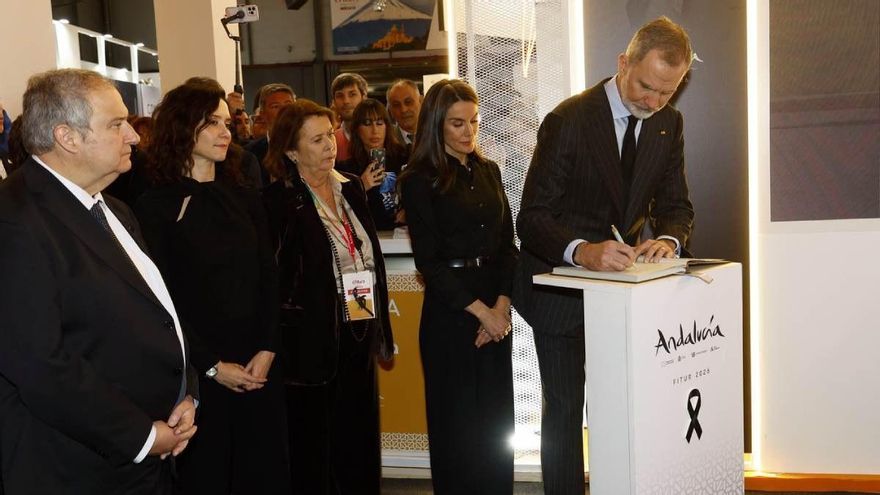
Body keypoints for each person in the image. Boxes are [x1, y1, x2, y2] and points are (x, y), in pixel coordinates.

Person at [515, 17, 696, 494]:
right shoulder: (568, 120)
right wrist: (584, 252)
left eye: (666, 93)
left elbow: (677, 207)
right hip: (560, 295)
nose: (652, 102)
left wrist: (669, 241)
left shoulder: (668, 124)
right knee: (565, 413)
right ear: (623, 63)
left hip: (624, 299)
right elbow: (531, 219)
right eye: (645, 86)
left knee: (623, 409)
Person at [0, 68, 198, 494]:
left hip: (141, 459)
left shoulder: (113, 209)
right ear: (67, 137)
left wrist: (187, 392)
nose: (134, 136)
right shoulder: (14, 220)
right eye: (116, 124)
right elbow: (41, 365)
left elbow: (157, 312)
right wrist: (143, 437)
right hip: (78, 468)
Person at [134, 79, 290, 494]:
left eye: (227, 122)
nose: (227, 132)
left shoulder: (243, 194)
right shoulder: (156, 206)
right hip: (199, 375)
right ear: (185, 129)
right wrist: (212, 366)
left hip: (259, 365)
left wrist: (268, 347)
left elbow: (268, 275)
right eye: (213, 123)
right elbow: (161, 301)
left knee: (265, 473)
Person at [262, 99, 394, 494]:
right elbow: (273, 280)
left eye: (330, 135)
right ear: (291, 150)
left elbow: (368, 257)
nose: (329, 146)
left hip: (359, 329)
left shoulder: (350, 186)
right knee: (315, 454)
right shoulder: (279, 202)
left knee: (360, 443)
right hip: (310, 345)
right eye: (316, 139)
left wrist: (380, 330)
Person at [399, 79, 518, 494]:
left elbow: (508, 245)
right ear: (436, 125)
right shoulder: (418, 179)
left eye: (474, 121)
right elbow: (428, 263)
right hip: (451, 318)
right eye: (457, 124)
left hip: (495, 314)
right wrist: (481, 311)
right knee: (457, 434)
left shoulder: (489, 171)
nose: (469, 132)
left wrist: (500, 308)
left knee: (498, 429)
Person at [335, 98, 409, 230]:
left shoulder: (406, 157)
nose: (375, 130)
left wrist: (410, 210)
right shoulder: (345, 169)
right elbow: (340, 211)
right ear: (357, 129)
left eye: (380, 123)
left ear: (387, 126)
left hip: (404, 239)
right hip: (370, 240)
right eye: (367, 124)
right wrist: (361, 186)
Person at [330, 73, 368, 162]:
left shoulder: (381, 133)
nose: (346, 101)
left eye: (352, 94)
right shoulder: (331, 139)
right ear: (334, 102)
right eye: (340, 96)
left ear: (364, 97)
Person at [386, 79, 422, 148]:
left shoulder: (437, 136)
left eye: (408, 102)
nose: (403, 110)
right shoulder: (386, 141)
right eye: (396, 105)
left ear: (420, 101)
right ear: (391, 110)